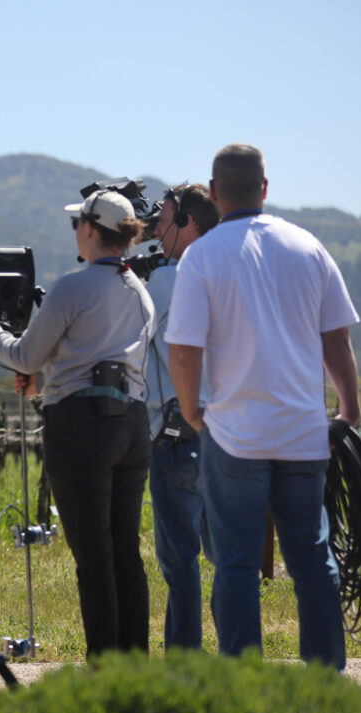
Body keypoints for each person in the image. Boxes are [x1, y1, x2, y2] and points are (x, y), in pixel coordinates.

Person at [166, 144, 360, 668]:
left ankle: (244, 685)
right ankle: (325, 681)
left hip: (234, 434)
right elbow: (336, 339)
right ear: (266, 189)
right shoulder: (308, 247)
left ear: (213, 192)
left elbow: (182, 348)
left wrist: (191, 411)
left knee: (236, 564)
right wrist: (349, 409)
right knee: (313, 561)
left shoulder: (203, 256)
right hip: (302, 432)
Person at [0, 189, 153, 659]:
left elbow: (26, 353)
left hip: (80, 427)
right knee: (124, 553)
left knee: (93, 558)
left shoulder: (72, 287)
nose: (75, 231)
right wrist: (50, 375)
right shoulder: (139, 291)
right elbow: (98, 352)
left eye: (77, 224)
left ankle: (104, 670)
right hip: (131, 425)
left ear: (91, 229)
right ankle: (134, 666)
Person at [144, 183, 219, 649]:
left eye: (164, 218)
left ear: (188, 223)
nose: (155, 228)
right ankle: (237, 659)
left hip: (177, 431)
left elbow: (130, 335)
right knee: (229, 558)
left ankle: (185, 668)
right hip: (228, 428)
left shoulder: (167, 280)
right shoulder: (225, 271)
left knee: (180, 564)